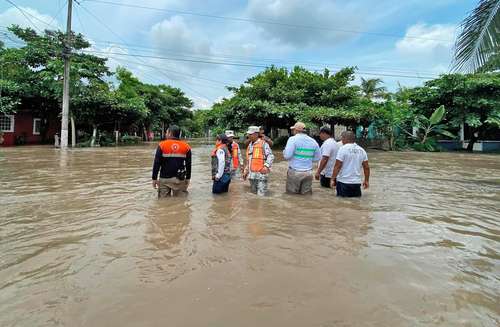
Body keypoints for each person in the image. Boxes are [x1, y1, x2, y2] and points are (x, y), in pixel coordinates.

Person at [152, 125, 192, 198]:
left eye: (166, 132)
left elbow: (157, 163)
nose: (166, 134)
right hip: (179, 179)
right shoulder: (186, 146)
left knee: (163, 203)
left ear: (170, 133)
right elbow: (188, 164)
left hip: (164, 179)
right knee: (180, 202)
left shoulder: (161, 145)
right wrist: (188, 178)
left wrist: (154, 179)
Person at [283, 122, 321, 194]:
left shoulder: (292, 139)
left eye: (293, 130)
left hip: (295, 172)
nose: (293, 131)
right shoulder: (313, 141)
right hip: (308, 173)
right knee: (306, 197)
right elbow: (317, 158)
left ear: (296, 130)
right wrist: (307, 159)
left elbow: (287, 156)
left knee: (291, 197)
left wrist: (284, 151)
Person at [331, 131, 370, 197]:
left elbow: (337, 166)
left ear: (345, 139)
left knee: (342, 204)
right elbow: (366, 167)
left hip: (344, 182)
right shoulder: (361, 150)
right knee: (356, 203)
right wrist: (366, 181)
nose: (341, 141)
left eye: (342, 138)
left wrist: (332, 179)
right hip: (357, 183)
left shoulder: (342, 149)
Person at [243, 126, 274, 196]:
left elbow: (271, 156)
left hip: (261, 175)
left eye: (250, 134)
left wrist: (266, 166)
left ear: (256, 134)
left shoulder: (264, 144)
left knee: (261, 196)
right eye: (248, 134)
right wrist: (246, 170)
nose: (248, 136)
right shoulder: (250, 145)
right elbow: (249, 160)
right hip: (252, 175)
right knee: (253, 196)